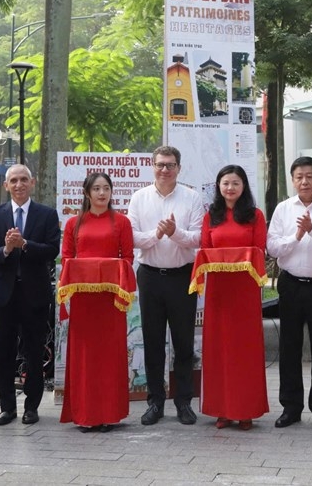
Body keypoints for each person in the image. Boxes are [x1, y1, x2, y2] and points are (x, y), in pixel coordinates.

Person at [128, 145, 205, 426]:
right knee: (152, 341)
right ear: (152, 166)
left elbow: (197, 238)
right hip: (149, 276)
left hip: (182, 276)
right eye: (160, 164)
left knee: (184, 342)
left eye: (170, 165)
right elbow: (134, 238)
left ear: (179, 168)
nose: (165, 170)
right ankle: (155, 402)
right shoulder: (139, 198)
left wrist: (175, 233)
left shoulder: (192, 198)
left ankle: (184, 402)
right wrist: (157, 234)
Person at [0, 164, 62, 427]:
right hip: (2, 295)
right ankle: (7, 408)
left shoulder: (47, 215)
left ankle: (31, 407)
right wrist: (5, 249)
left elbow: (51, 251)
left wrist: (25, 244)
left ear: (33, 183)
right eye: (13, 180)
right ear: (6, 186)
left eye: (24, 179)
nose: (19, 185)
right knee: (3, 352)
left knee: (34, 352)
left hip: (35, 294)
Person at [267, 156, 312, 430]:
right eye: (299, 176)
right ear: (293, 179)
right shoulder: (283, 209)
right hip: (291, 285)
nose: (304, 181)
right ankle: (291, 407)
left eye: (309, 176)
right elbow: (272, 247)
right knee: (289, 347)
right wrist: (296, 237)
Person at [59, 172, 135, 432]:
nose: (102, 194)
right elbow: (67, 258)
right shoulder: (74, 223)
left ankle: (108, 413)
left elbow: (128, 259)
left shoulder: (122, 222)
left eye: (106, 188)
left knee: (109, 354)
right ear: (87, 193)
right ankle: (85, 414)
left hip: (111, 301)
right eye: (97, 189)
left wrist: (107, 271)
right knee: (84, 355)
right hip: (84, 300)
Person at [197, 164, 269, 430]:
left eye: (235, 183)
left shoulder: (255, 215)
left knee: (244, 349)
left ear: (244, 186)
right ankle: (222, 410)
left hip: (245, 289)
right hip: (218, 290)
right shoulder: (211, 216)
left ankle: (246, 408)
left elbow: (260, 250)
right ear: (218, 186)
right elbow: (205, 249)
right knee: (219, 349)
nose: (230, 188)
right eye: (225, 183)